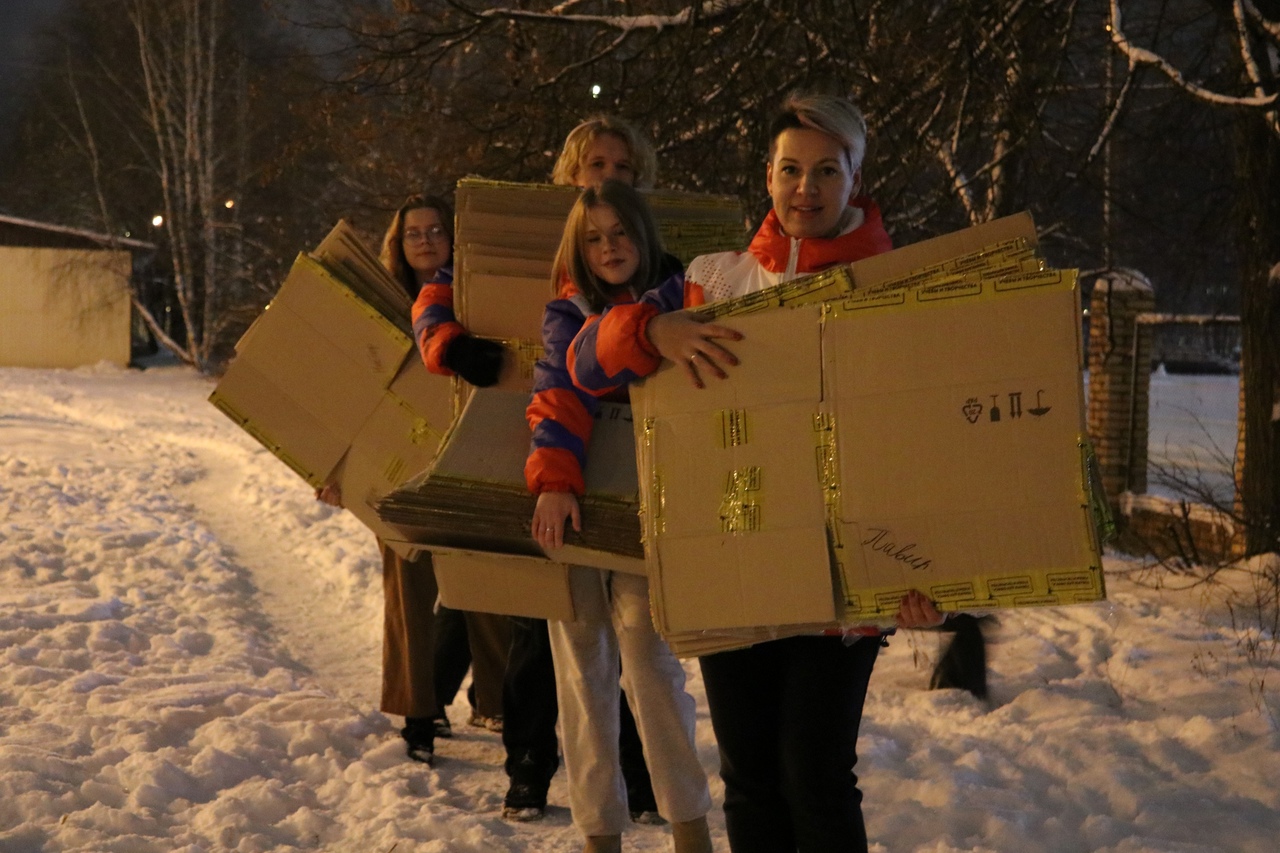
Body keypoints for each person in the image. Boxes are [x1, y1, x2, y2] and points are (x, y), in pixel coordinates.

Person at [567, 93, 945, 852]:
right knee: (749, 776)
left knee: (814, 772)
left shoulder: (900, 291)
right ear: (768, 177)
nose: (805, 188)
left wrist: (941, 577)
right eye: (789, 169)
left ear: (856, 179)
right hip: (734, 562)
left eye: (825, 171)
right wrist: (649, 325)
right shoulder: (713, 279)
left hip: (846, 582)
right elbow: (584, 361)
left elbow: (930, 446)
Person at [475, 115, 665, 824]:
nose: (607, 176)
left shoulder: (661, 270)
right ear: (571, 176)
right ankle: (529, 765)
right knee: (545, 632)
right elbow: (558, 376)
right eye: (595, 165)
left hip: (638, 471)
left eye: (622, 165)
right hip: (554, 458)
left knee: (642, 644)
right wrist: (553, 476)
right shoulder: (560, 273)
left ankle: (645, 781)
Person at [527, 179, 713, 853]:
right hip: (573, 512)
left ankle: (690, 829)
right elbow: (558, 390)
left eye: (620, 232)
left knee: (652, 667)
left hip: (652, 516)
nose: (609, 248)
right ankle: (598, 834)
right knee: (581, 678)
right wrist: (552, 480)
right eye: (594, 238)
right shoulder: (567, 310)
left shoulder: (681, 295)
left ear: (643, 232)